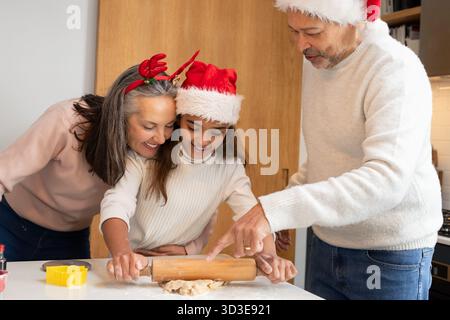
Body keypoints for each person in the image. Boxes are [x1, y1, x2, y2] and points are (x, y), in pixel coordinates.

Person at [208, 0, 443, 300]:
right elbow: (325, 157)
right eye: (293, 31)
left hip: (388, 256)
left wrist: (276, 210)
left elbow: (386, 181)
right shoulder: (320, 62)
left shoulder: (395, 68)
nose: (300, 45)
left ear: (351, 21)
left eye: (312, 32)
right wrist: (285, 215)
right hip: (326, 244)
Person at [100, 60, 297, 283]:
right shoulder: (145, 157)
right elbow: (117, 203)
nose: (203, 140)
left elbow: (251, 216)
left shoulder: (229, 169)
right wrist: (122, 252)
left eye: (217, 131)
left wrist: (270, 256)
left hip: (183, 269)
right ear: (177, 121)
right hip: (134, 267)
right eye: (192, 127)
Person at [0, 52, 197, 261]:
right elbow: (3, 172)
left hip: (70, 239)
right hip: (9, 225)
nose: (160, 138)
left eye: (168, 126)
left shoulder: (157, 150)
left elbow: (198, 194)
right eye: (149, 126)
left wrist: (190, 248)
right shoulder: (66, 121)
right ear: (120, 116)